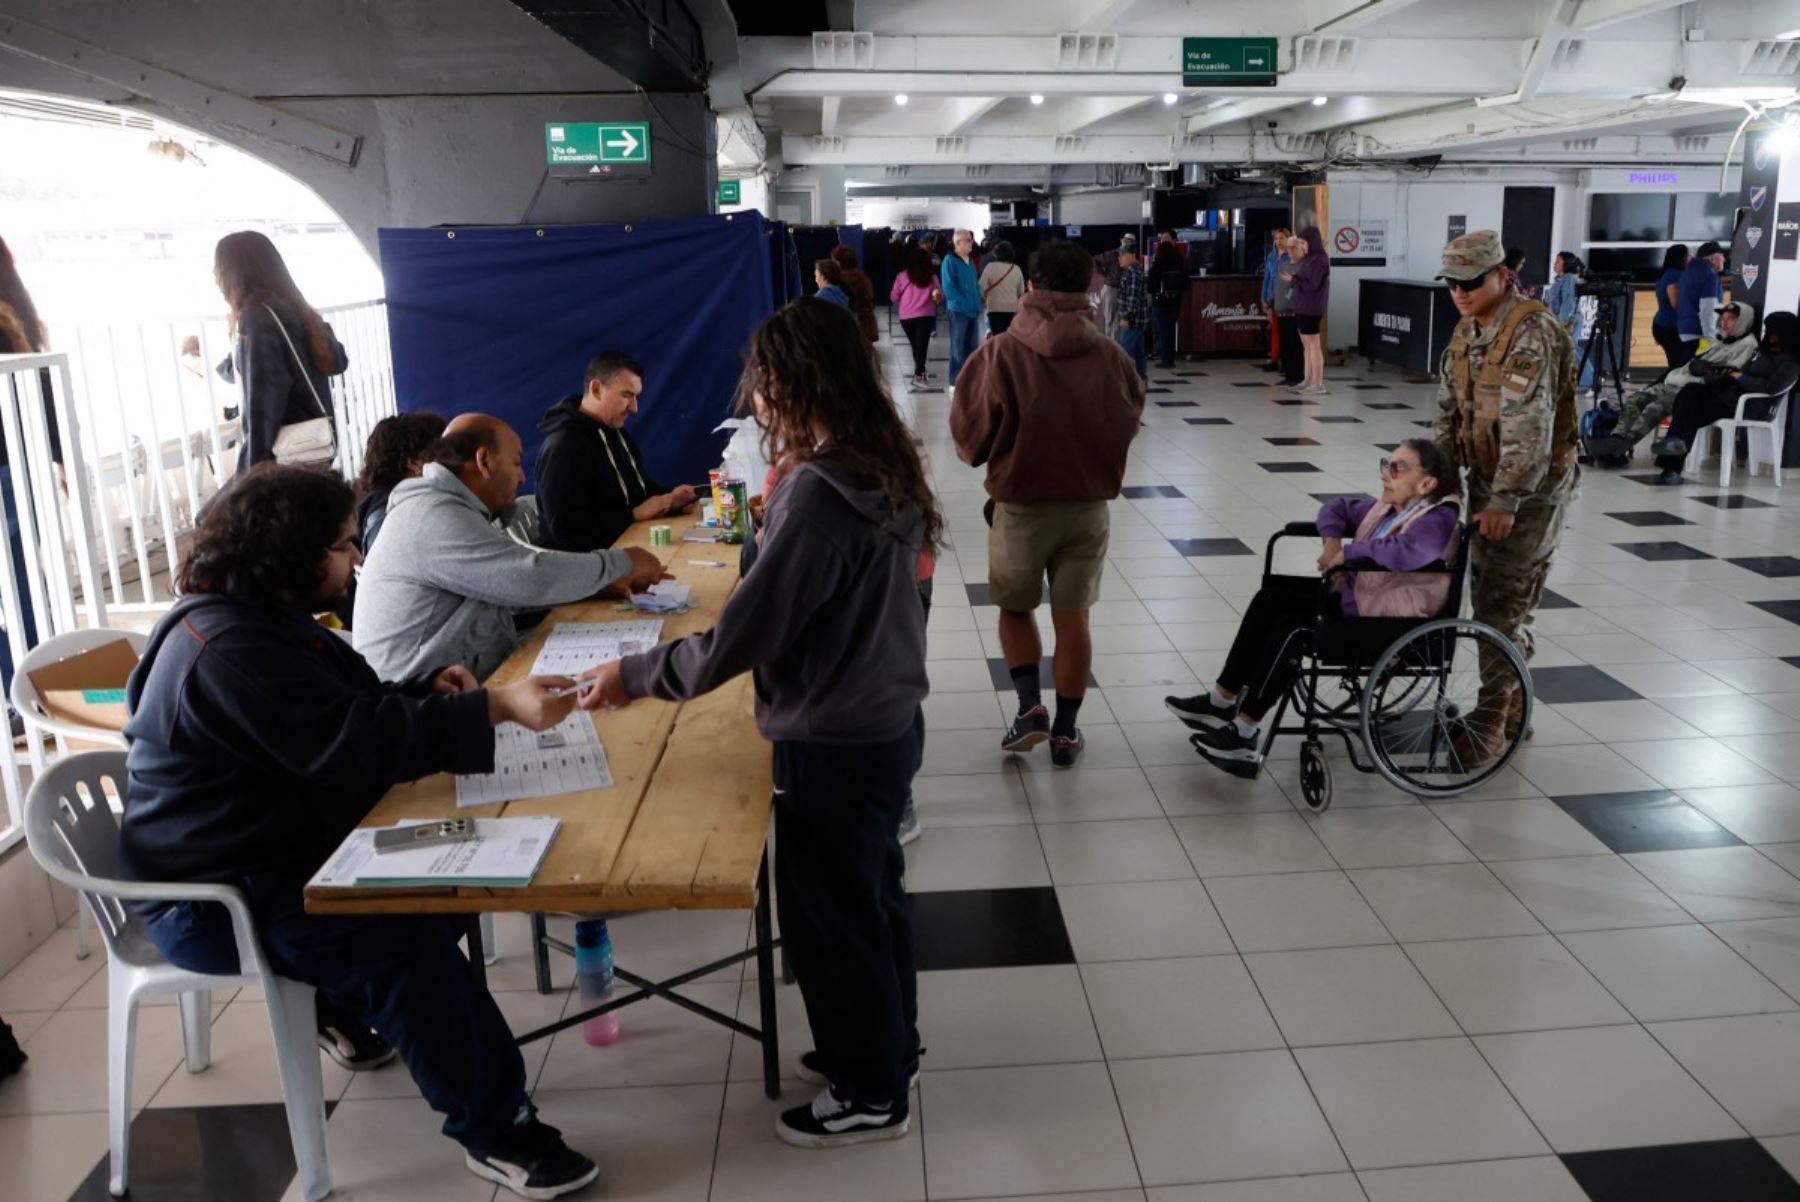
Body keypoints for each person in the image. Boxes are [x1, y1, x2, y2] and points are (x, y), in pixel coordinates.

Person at [120, 464, 599, 1199]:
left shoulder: (254, 621)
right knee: (402, 935)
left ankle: (345, 1003)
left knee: (455, 890)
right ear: (288, 556)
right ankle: (498, 1128)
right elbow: (351, 744)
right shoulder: (231, 648)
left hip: (272, 849)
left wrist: (416, 693)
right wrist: (495, 708)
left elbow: (336, 714)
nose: (358, 562)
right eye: (345, 547)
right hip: (219, 898)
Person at [574, 298, 936, 1149]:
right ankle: (889, 1050)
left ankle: (872, 1092)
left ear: (795, 382)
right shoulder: (875, 459)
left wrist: (630, 677)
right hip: (885, 721)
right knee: (874, 902)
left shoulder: (817, 490)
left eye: (764, 383)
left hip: (835, 742)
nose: (757, 400)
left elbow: (745, 635)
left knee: (831, 921)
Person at [951, 240, 1145, 767]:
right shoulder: (1111, 355)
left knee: (1015, 607)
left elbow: (969, 439)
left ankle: (1029, 707)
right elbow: (1131, 415)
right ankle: (1065, 732)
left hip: (1020, 506)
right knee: (1073, 617)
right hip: (1086, 509)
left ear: (1030, 287)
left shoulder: (998, 352)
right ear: (1088, 287)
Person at [1169, 440, 1462, 774]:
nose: (1385, 475)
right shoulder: (1390, 506)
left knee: (1293, 628)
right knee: (1270, 600)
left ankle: (1245, 731)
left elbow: (1409, 551)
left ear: (1427, 484)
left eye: (1397, 468)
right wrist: (1333, 541)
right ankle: (1222, 700)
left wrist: (1349, 555)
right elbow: (1335, 508)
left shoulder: (1437, 517)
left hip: (1388, 621)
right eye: (1386, 464)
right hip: (1357, 599)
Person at [353, 414, 667, 684]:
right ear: (483, 462)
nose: (522, 476)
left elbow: (505, 588)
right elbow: (529, 576)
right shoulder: (431, 515)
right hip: (420, 700)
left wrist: (596, 586)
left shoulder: (449, 508)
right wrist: (621, 563)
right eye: (516, 463)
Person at [1433, 230, 1579, 759]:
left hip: (1531, 493)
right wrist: (1438, 485)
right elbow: (1449, 412)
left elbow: (1530, 428)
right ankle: (1513, 708)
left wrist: (1506, 502)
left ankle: (1490, 721)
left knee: (1500, 606)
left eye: (1471, 281)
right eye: (1452, 283)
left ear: (1502, 275)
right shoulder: (1467, 330)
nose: (1460, 292)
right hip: (1487, 484)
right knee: (1494, 600)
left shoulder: (1531, 331)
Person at [534, 351, 697, 554]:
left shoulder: (614, 431)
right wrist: (633, 515)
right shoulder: (562, 447)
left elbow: (637, 489)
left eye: (636, 397)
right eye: (626, 395)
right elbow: (567, 532)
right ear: (596, 389)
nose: (635, 408)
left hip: (624, 545)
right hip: (579, 567)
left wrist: (670, 499)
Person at [213, 231, 348, 473]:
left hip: (282, 462)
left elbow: (263, 403)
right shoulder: (300, 311)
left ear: (232, 275)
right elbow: (338, 360)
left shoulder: (256, 320)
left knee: (213, 512)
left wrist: (252, 473)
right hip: (315, 447)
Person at [0, 234, 62, 724]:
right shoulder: (18, 315)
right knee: (24, 587)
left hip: (8, 473)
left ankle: (23, 698)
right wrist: (57, 460)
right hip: (22, 467)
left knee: (14, 592)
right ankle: (37, 692)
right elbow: (45, 398)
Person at [1588, 301, 1759, 462]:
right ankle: (1616, 438)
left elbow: (1728, 373)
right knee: (1636, 398)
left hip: (1694, 390)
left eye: (1732, 319)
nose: (1725, 322)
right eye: (1724, 318)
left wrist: (1705, 368)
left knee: (1654, 408)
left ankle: (1621, 446)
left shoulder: (1748, 344)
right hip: (1678, 380)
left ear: (1743, 321)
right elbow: (1695, 362)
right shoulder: (1718, 340)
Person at [1653, 310, 1800, 484]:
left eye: (1774, 331)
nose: (1769, 335)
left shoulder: (1791, 362)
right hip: (1731, 398)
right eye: (1768, 329)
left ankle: (1672, 464)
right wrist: (1724, 373)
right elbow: (1741, 372)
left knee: (1689, 411)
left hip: (1751, 406)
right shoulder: (1763, 352)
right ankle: (1674, 452)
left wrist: (1742, 378)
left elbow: (1772, 388)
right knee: (1691, 392)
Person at [356, 411, 447, 554]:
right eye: (441, 454)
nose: (450, 462)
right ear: (414, 464)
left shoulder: (387, 509)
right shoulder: (388, 519)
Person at [891, 245, 943, 393]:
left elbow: (894, 296)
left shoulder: (902, 276)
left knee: (916, 345)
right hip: (926, 315)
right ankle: (919, 374)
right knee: (921, 346)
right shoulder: (932, 277)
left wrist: (902, 297)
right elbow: (939, 295)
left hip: (906, 317)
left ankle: (919, 373)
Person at [1286, 227, 1330, 395]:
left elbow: (1312, 284)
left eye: (1304, 242)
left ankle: (1318, 383)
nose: (1302, 246)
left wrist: (1293, 279)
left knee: (1314, 345)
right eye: (1301, 242)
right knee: (1306, 346)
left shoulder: (1319, 260)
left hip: (1312, 307)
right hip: (1303, 305)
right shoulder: (1310, 258)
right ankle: (1308, 379)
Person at [940, 229, 983, 392]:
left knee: (972, 347)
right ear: (958, 243)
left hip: (973, 309)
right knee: (957, 348)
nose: (971, 243)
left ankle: (969, 379)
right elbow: (949, 287)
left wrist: (977, 300)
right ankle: (955, 381)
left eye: (971, 240)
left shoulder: (970, 261)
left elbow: (974, 283)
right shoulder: (949, 260)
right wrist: (963, 302)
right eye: (968, 240)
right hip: (958, 311)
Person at [1676, 240, 1726, 364]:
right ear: (1712, 258)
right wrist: (1711, 339)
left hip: (1686, 330)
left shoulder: (1689, 272)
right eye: (1722, 256)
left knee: (1681, 369)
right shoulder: (1709, 275)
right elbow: (1708, 310)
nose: (1724, 260)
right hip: (1699, 334)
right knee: (1687, 373)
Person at [1147, 239, 1189, 369]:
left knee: (1163, 331)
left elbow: (1150, 285)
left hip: (1160, 303)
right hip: (1175, 302)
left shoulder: (1158, 265)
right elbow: (1186, 283)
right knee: (1171, 331)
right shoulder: (1179, 264)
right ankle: (1170, 357)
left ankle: (1165, 359)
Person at [1114, 244, 1150, 383]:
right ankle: (1141, 379)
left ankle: (1123, 381)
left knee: (1125, 352)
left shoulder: (1134, 273)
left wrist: (1126, 317)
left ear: (1132, 255)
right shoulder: (1131, 271)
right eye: (1119, 255)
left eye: (1123, 255)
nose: (1120, 258)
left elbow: (1133, 298)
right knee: (1140, 353)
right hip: (1137, 320)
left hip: (1133, 321)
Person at [1651, 244, 1692, 367]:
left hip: (1665, 326)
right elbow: (1677, 304)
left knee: (1677, 364)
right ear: (1681, 258)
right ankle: (1662, 385)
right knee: (1678, 365)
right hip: (1669, 328)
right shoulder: (1674, 275)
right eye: (1688, 255)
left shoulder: (1669, 273)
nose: (1691, 258)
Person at [1260, 228, 1293, 373]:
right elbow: (1267, 278)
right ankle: (1274, 359)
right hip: (1271, 297)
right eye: (1276, 238)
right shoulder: (1271, 256)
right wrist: (1264, 299)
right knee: (1274, 330)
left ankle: (1286, 360)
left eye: (1282, 238)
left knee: (1286, 331)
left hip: (1284, 297)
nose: (1279, 241)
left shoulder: (1291, 256)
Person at [831, 244, 879, 344]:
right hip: (867, 323)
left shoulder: (842, 279)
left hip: (850, 324)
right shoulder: (863, 277)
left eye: (833, 260)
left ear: (839, 262)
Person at [1272, 235, 1303, 386]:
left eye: (1293, 247)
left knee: (1295, 346)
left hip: (1294, 313)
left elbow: (1298, 287)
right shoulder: (1284, 265)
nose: (1289, 250)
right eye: (1288, 247)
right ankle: (1289, 374)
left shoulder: (1304, 266)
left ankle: (1297, 376)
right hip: (1280, 312)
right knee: (1285, 345)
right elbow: (1278, 285)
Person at [978, 241, 1026, 337]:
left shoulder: (990, 267)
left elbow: (980, 288)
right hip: (1012, 309)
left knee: (997, 337)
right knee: (1010, 337)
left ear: (996, 254)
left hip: (994, 309)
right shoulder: (1016, 269)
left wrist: (984, 299)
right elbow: (1021, 291)